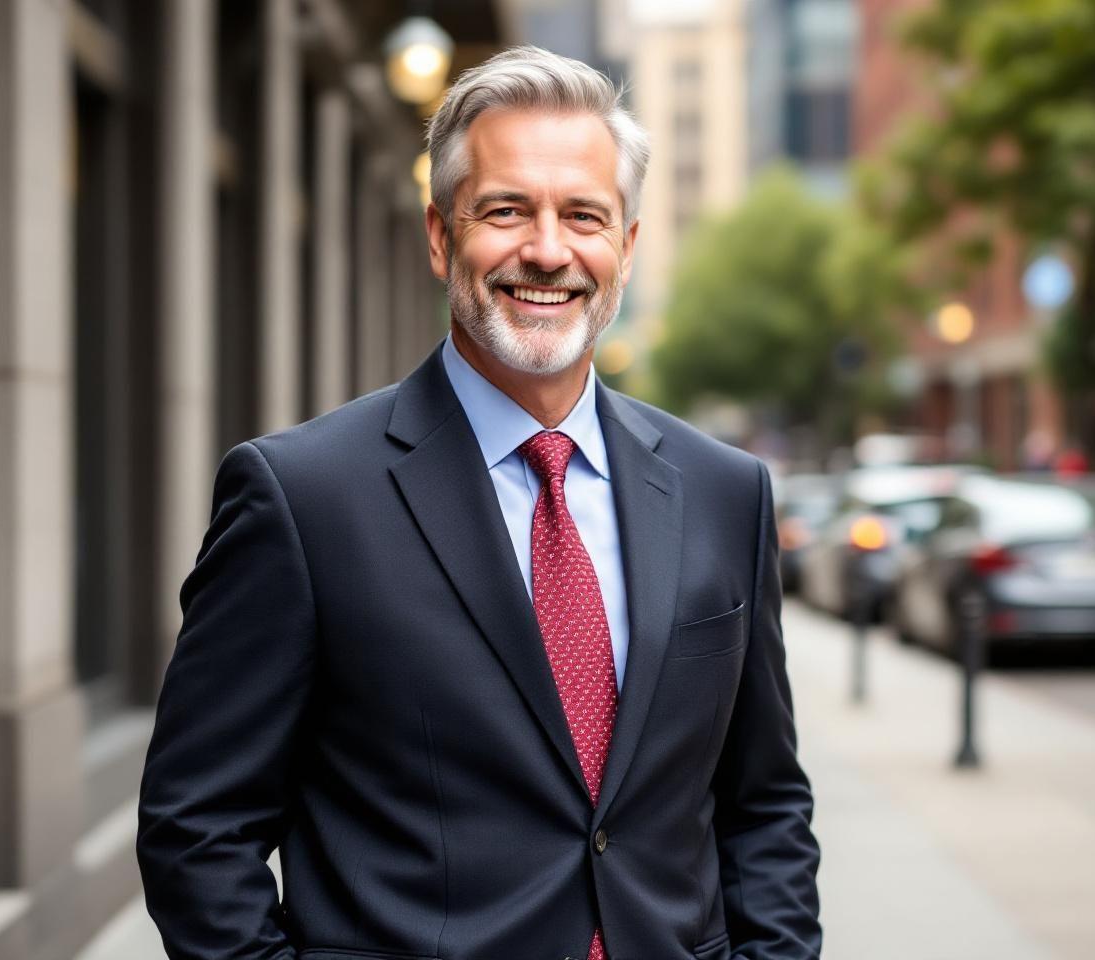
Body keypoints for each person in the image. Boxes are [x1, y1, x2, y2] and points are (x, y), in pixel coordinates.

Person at [137, 46, 821, 960]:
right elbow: (196, 827)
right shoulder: (301, 499)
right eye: (506, 211)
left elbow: (764, 800)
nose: (547, 249)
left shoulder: (725, 492)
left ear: (625, 245)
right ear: (439, 235)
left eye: (584, 215)